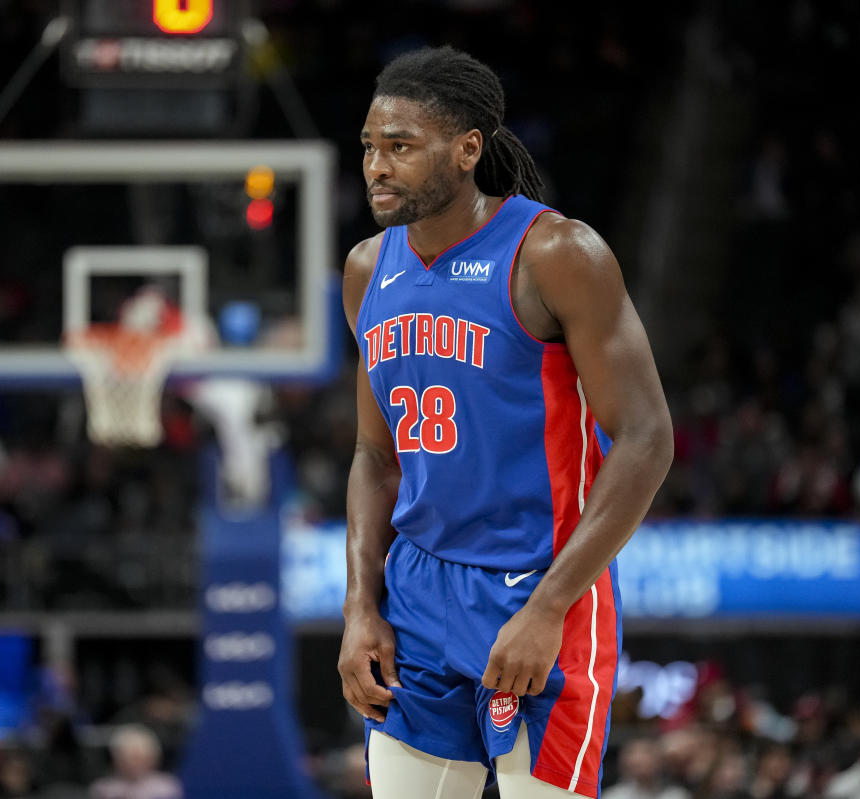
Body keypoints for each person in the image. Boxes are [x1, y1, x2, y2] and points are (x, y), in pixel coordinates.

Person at [337, 46, 673, 798]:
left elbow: (647, 438)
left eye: (400, 146)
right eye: (368, 146)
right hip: (418, 593)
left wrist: (550, 605)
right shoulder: (366, 268)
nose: (376, 166)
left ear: (465, 150)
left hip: (537, 584)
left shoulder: (555, 252)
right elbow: (374, 454)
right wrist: (361, 605)